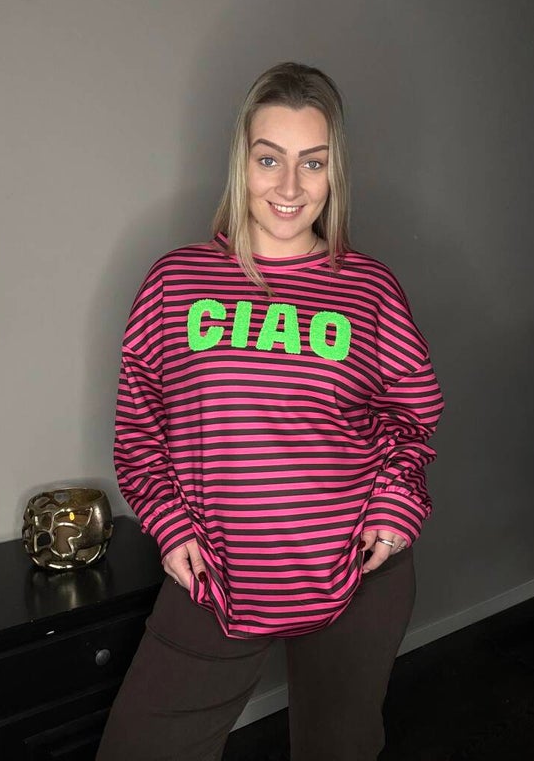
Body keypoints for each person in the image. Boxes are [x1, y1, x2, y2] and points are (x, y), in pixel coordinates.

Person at [96, 61, 444, 761]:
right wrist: (168, 524)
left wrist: (395, 505)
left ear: (334, 172)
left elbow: (412, 416)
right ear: (241, 163)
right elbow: (139, 429)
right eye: (269, 159)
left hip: (357, 572)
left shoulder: (370, 290)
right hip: (212, 572)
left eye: (312, 162)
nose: (289, 187)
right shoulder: (175, 282)